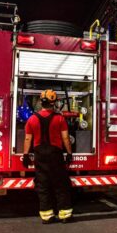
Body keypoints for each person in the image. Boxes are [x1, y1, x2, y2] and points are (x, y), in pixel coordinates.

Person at [23, 89, 73, 224]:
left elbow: (28, 139)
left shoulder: (32, 119)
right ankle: (65, 215)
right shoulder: (60, 118)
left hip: (40, 155)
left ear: (41, 102)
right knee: (61, 185)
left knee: (43, 186)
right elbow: (65, 138)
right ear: (54, 103)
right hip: (55, 154)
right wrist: (69, 153)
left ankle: (47, 216)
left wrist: (26, 155)